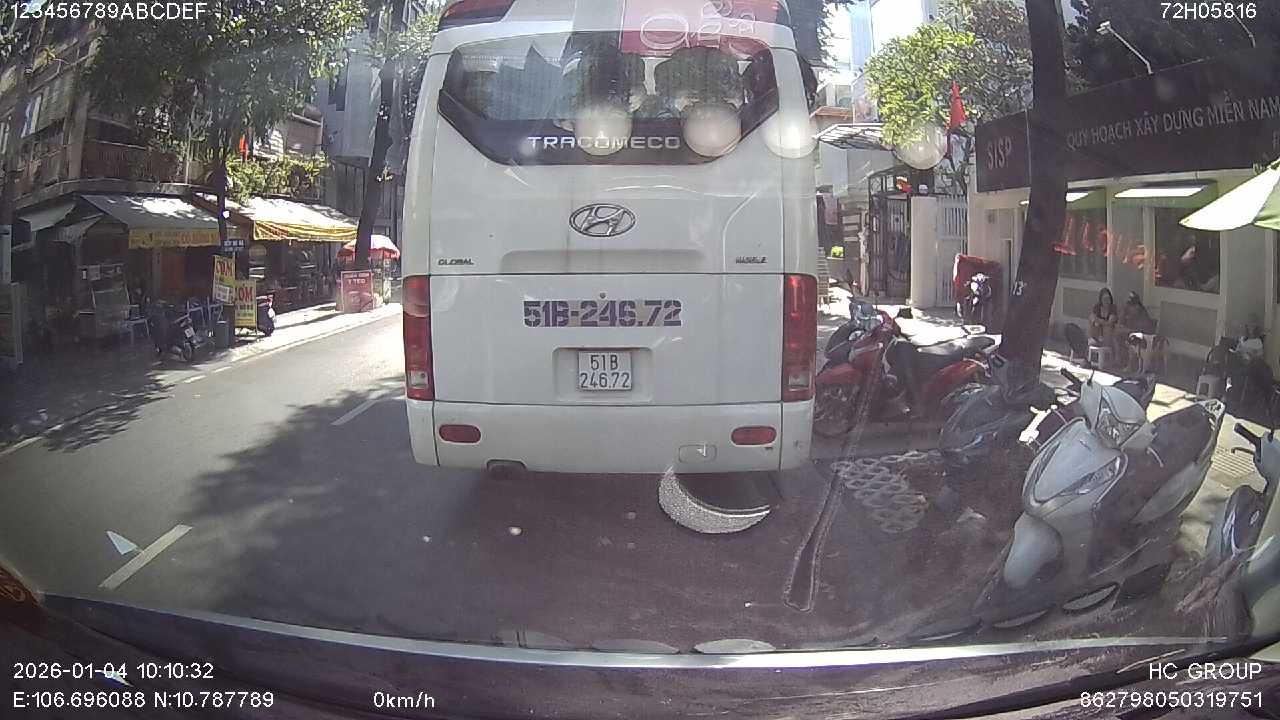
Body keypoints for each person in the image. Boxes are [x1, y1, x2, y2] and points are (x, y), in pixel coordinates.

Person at [1089, 288, 1119, 352]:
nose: (1106, 301)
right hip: (1097, 334)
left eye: (1108, 299)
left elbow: (1110, 322)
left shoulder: (1113, 308)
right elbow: (1092, 318)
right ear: (1101, 299)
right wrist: (1098, 322)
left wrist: (1098, 321)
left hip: (1109, 336)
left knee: (1107, 328)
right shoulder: (1097, 307)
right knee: (1095, 325)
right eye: (1104, 299)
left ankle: (1105, 348)